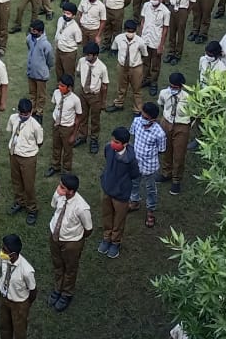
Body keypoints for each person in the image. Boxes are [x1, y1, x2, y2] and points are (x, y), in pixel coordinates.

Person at [46, 173, 92, 311]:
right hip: (55, 237)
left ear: (71, 191)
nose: (58, 189)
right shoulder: (59, 194)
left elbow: (88, 228)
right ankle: (58, 288)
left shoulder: (82, 207)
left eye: (62, 187)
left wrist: (75, 239)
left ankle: (66, 293)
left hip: (71, 242)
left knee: (70, 268)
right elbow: (53, 205)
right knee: (58, 264)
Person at [98, 125, 140, 259]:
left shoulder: (131, 159)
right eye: (113, 140)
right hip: (107, 188)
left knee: (119, 220)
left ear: (125, 144)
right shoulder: (108, 148)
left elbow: (135, 174)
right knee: (107, 215)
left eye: (116, 142)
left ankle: (115, 242)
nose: (113, 144)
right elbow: (107, 157)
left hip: (121, 194)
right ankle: (106, 237)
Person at [6, 98, 44, 225]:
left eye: (26, 114)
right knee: (16, 181)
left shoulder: (36, 126)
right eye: (21, 114)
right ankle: (19, 202)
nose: (23, 116)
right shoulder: (13, 118)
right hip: (14, 154)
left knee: (28, 185)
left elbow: (40, 142)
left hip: (28, 157)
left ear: (31, 112)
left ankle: (32, 209)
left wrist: (28, 151)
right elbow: (11, 131)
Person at [128, 101, 167, 227]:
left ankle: (150, 211)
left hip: (149, 165)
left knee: (150, 189)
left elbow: (161, 149)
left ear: (153, 119)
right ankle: (134, 202)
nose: (142, 119)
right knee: (134, 183)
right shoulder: (137, 122)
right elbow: (132, 134)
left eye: (146, 117)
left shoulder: (159, 133)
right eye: (142, 115)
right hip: (135, 161)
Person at [0, 233, 37, 339]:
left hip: (19, 303)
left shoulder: (27, 271)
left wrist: (25, 305)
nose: (2, 251)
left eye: (5, 250)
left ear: (13, 254)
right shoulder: (4, 257)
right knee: (4, 325)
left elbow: (33, 291)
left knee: (19, 330)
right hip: (4, 297)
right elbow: (2, 269)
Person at [158, 72, 191, 195]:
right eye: (171, 86)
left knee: (179, 153)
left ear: (181, 86)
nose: (172, 89)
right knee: (166, 149)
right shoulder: (164, 93)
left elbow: (193, 113)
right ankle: (166, 173)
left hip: (181, 125)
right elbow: (162, 105)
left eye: (175, 87)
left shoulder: (187, 98)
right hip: (167, 122)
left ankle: (176, 179)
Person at [75, 41, 109, 154]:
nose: (86, 57)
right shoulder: (82, 61)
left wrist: (103, 102)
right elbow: (79, 72)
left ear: (95, 55)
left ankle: (94, 139)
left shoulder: (102, 67)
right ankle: (82, 136)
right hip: (83, 93)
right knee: (82, 116)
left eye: (89, 55)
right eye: (86, 54)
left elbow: (105, 85)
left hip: (95, 96)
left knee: (95, 119)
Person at [110, 18, 148, 112]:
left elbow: (144, 54)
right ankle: (119, 104)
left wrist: (136, 63)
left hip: (136, 68)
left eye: (132, 31)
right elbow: (114, 48)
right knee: (121, 87)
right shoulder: (118, 38)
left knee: (137, 89)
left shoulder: (140, 41)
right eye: (128, 31)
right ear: (125, 30)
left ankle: (137, 109)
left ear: (135, 31)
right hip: (122, 66)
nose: (130, 33)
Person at [47, 74, 82, 176]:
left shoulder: (75, 100)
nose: (60, 87)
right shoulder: (56, 93)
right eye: (59, 85)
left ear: (69, 87)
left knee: (67, 150)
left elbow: (79, 117)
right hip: (56, 124)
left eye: (62, 86)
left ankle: (66, 170)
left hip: (67, 127)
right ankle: (55, 166)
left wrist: (74, 135)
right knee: (56, 146)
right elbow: (55, 105)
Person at [24, 19, 54, 112]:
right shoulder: (29, 38)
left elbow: (50, 59)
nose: (32, 32)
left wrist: (46, 68)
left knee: (41, 95)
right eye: (31, 30)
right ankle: (32, 109)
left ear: (40, 32)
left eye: (34, 31)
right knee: (32, 93)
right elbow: (29, 48)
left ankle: (39, 111)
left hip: (41, 74)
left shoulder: (46, 44)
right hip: (31, 72)